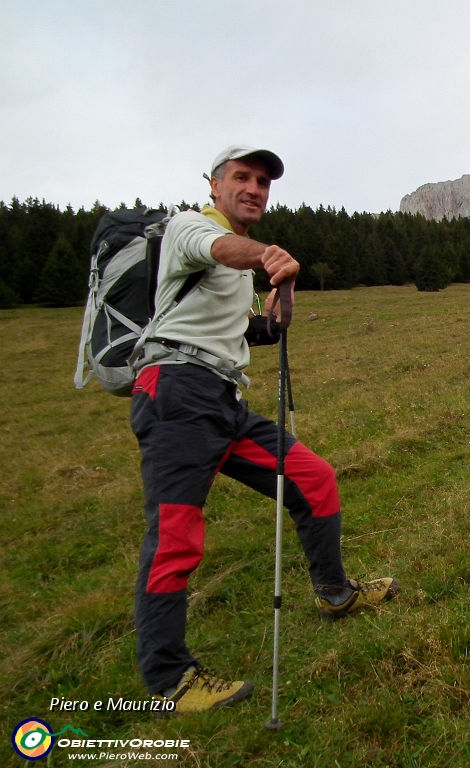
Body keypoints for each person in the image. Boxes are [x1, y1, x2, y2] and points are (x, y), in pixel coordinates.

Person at [130, 145, 399, 714]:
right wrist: (269, 255)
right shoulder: (190, 228)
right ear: (213, 185)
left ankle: (335, 593)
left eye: (263, 182)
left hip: (223, 400)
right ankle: (169, 680)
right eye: (241, 178)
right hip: (177, 393)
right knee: (175, 536)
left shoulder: (231, 268)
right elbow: (228, 249)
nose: (254, 188)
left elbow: (266, 330)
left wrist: (286, 291)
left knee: (315, 479)